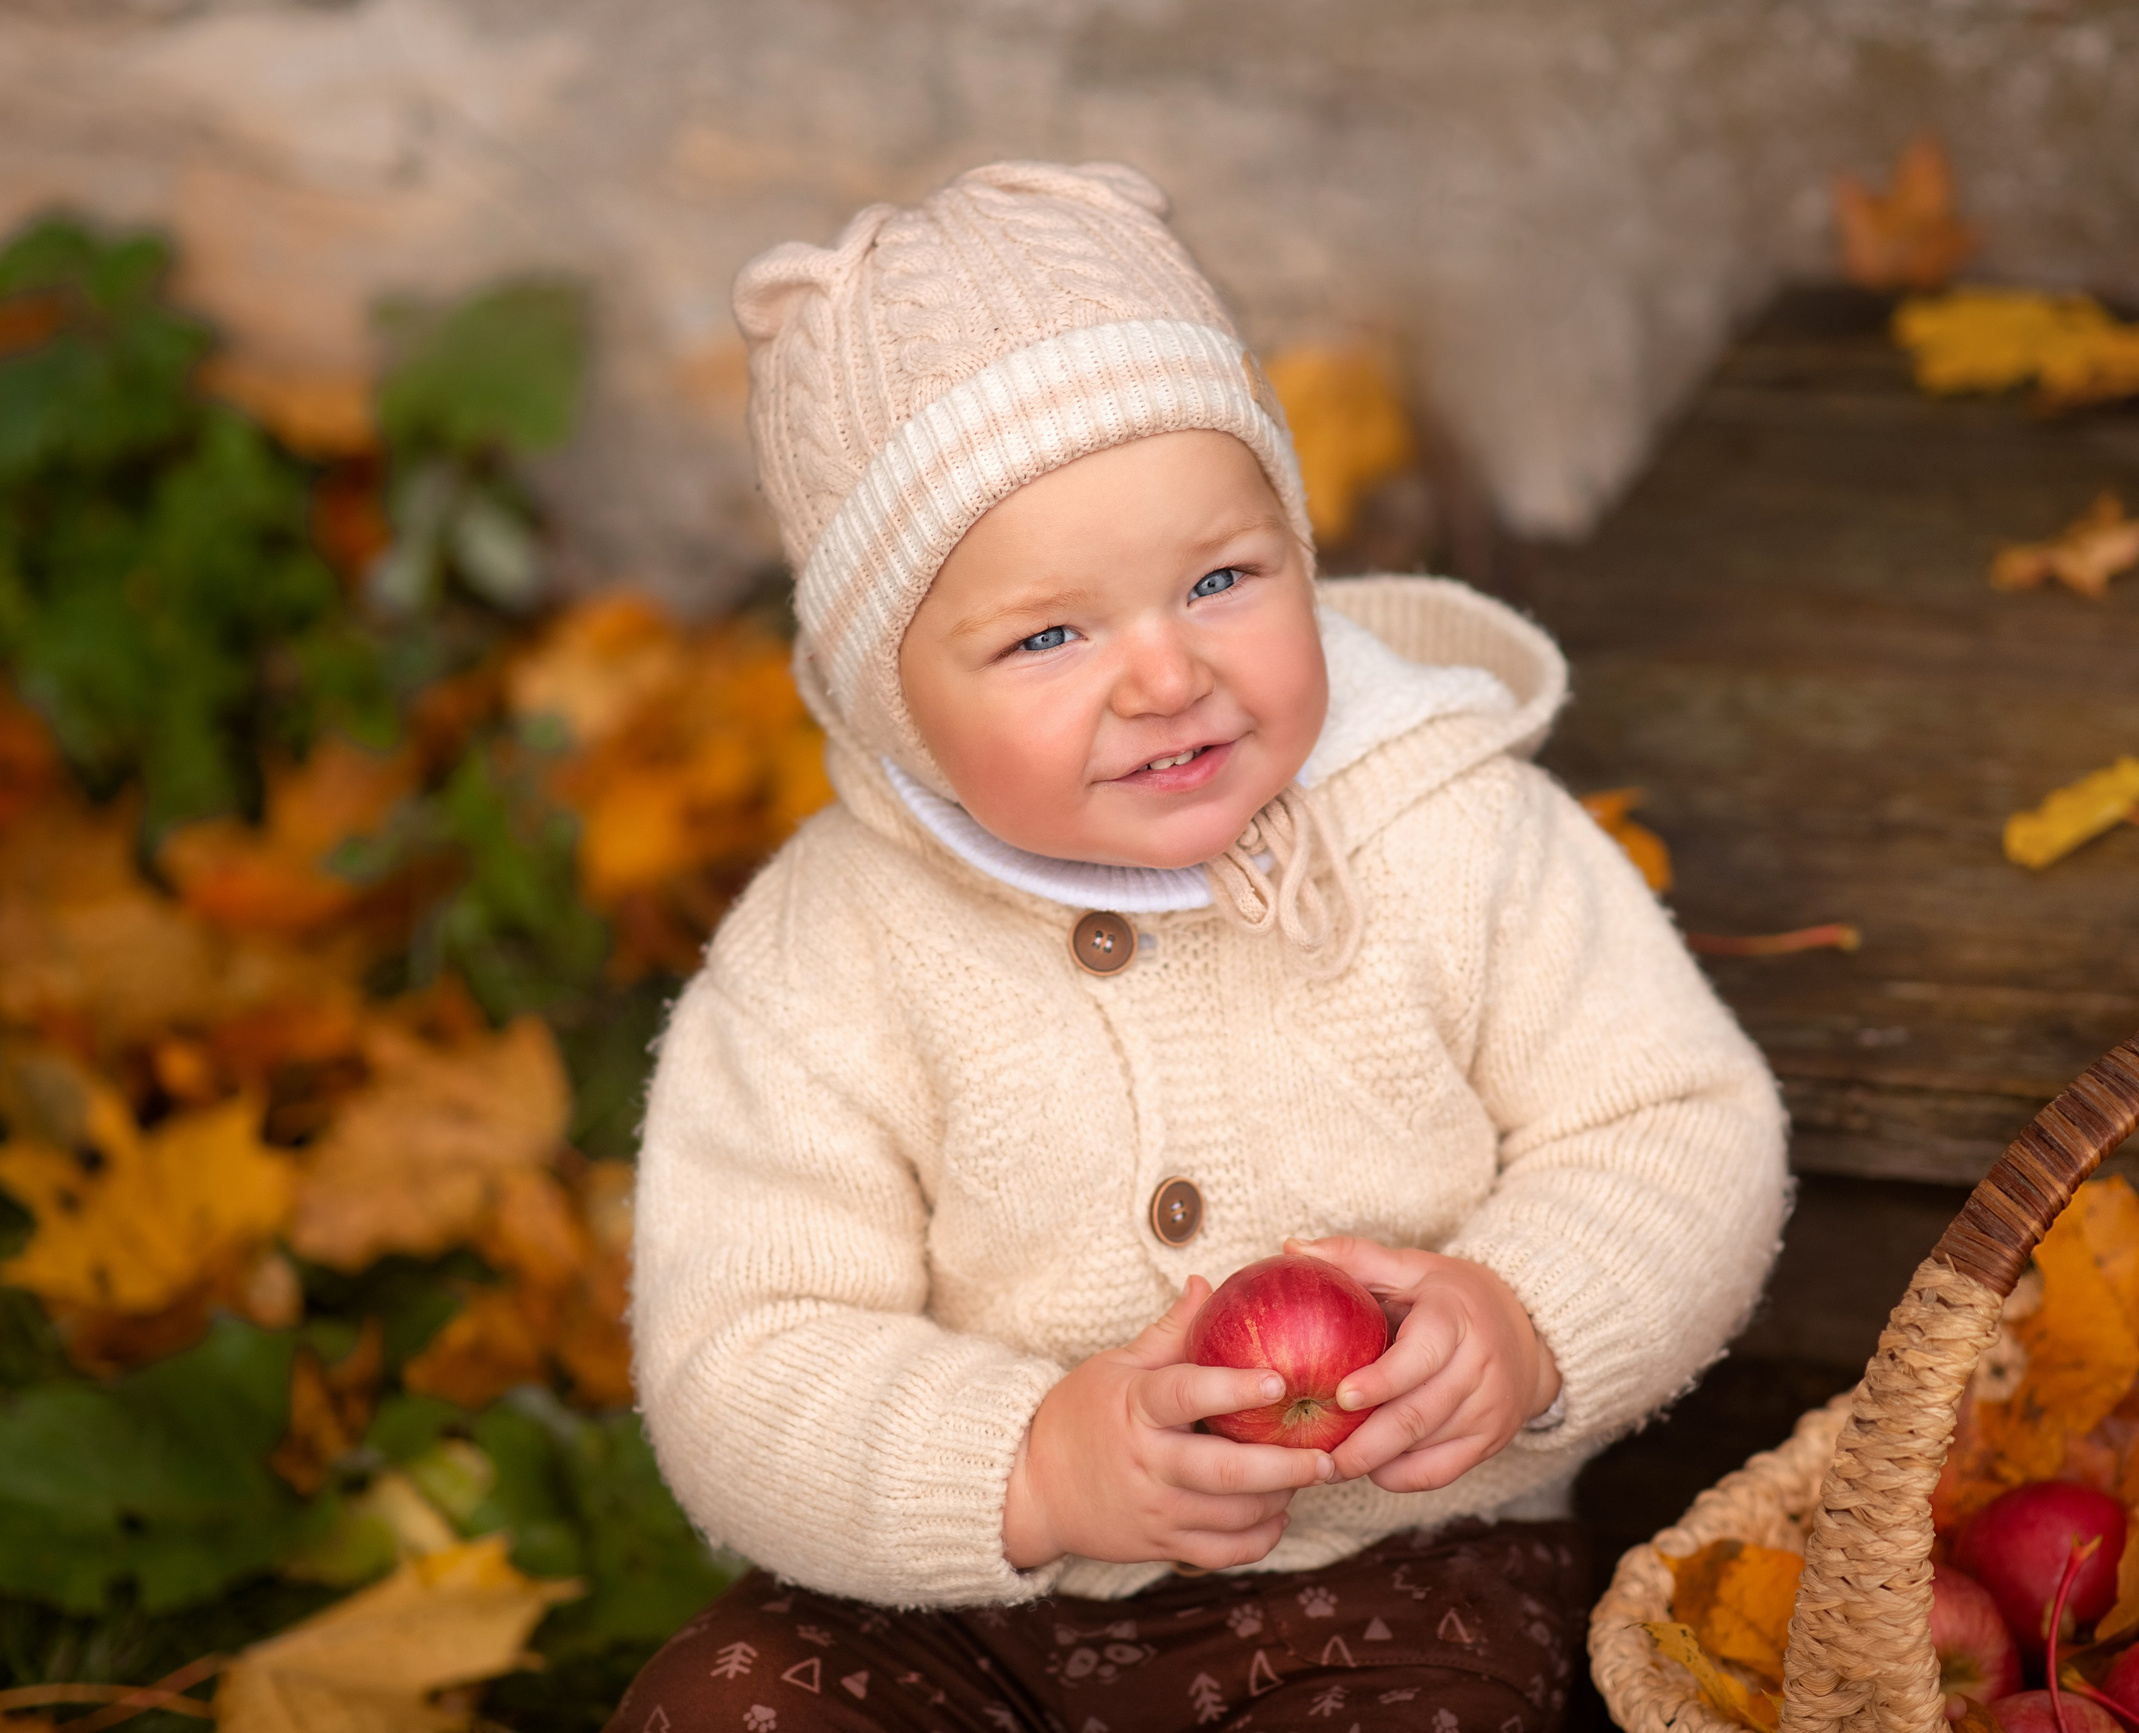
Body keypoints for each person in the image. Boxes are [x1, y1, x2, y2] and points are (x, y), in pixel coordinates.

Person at [608, 159, 1789, 1733]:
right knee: (726, 1706)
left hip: (1389, 1579)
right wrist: (1028, 1462)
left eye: (1223, 579)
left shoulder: (1446, 824)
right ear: (890, 689)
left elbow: (1678, 1124)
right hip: (964, 1610)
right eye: (1048, 633)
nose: (1165, 674)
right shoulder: (827, 958)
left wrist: (1526, 1315)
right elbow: (741, 1355)